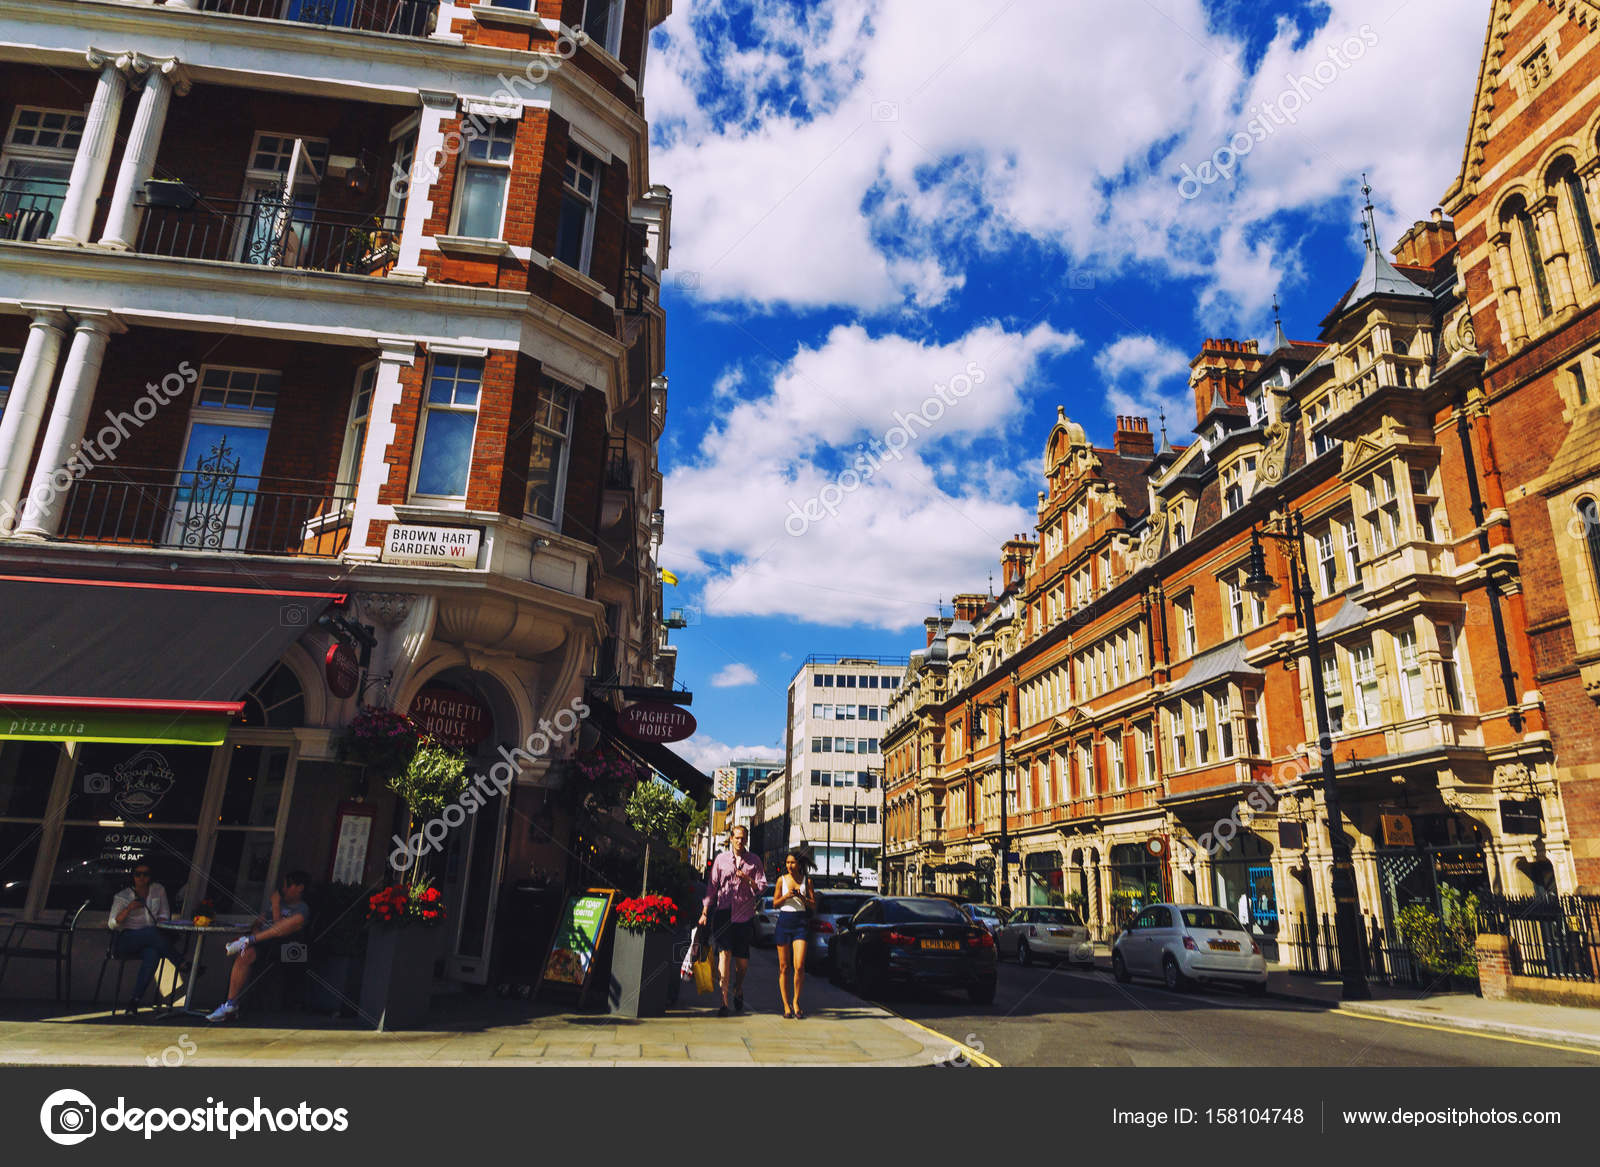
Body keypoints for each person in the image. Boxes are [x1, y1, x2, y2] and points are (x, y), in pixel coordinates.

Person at [206, 870, 312, 1022]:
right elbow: (258, 922)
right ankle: (230, 1004)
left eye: (287, 886)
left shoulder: (302, 909)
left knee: (276, 931)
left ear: (299, 888)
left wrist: (275, 905)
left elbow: (279, 929)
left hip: (284, 946)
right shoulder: (278, 904)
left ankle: (247, 941)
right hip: (262, 942)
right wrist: (256, 933)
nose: (283, 890)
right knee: (245, 954)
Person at [698, 825, 766, 1016]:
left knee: (742, 964)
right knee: (724, 956)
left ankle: (738, 987)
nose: (739, 841)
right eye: (736, 838)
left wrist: (747, 879)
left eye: (743, 838)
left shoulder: (754, 861)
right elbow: (712, 888)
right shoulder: (721, 859)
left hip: (744, 916)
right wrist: (704, 912)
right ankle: (724, 1002)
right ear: (731, 838)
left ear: (746, 839)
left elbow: (762, 887)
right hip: (723, 914)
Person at [107, 859, 184, 1015]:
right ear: (133, 876)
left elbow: (164, 913)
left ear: (150, 877)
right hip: (127, 939)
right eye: (138, 874)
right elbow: (112, 924)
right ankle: (181, 962)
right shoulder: (123, 896)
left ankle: (134, 1001)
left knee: (152, 954)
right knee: (151, 933)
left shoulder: (158, 890)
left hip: (151, 939)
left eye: (145, 874)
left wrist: (162, 920)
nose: (141, 878)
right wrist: (129, 908)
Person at [773, 848, 815, 1019]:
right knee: (784, 967)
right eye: (787, 863)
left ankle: (796, 1000)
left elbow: (813, 905)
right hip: (784, 922)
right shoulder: (781, 880)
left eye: (793, 862)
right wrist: (786, 897)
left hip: (801, 923)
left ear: (799, 864)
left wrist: (802, 897)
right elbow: (775, 903)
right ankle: (786, 1005)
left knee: (799, 965)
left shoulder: (807, 881)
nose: (789, 866)